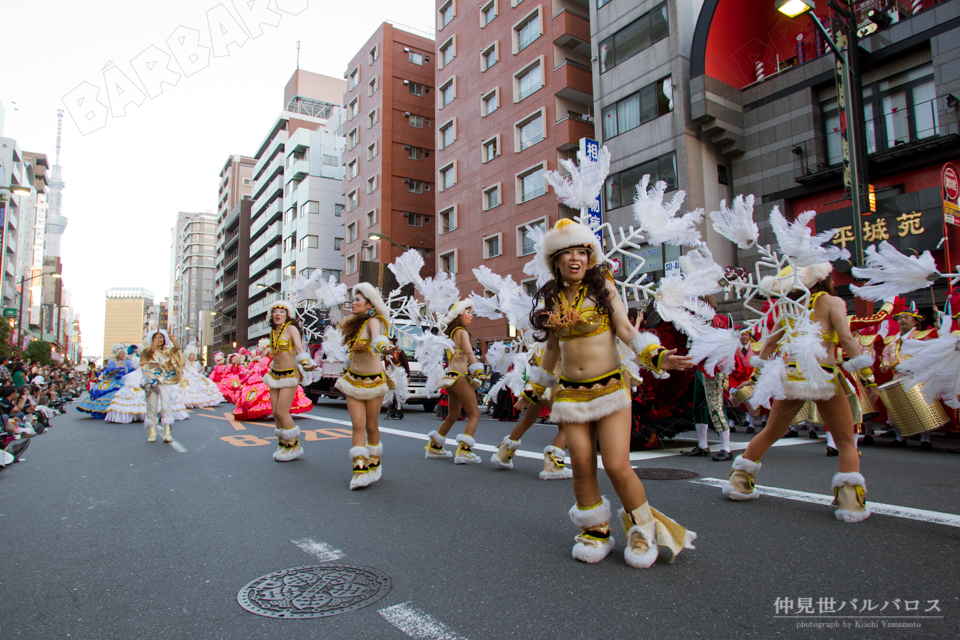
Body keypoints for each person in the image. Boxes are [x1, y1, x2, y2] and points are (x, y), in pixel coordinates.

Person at [516, 219, 696, 568]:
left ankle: (642, 529)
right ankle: (595, 530)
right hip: (569, 393)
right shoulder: (553, 299)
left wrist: (657, 355)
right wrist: (535, 388)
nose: (575, 258)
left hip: (610, 386)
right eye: (566, 252)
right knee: (582, 463)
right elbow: (552, 349)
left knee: (615, 464)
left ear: (590, 256)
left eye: (581, 251)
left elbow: (627, 330)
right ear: (554, 261)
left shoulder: (604, 289)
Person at [723, 263, 879, 522]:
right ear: (825, 279)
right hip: (823, 377)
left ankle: (738, 483)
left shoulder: (791, 307)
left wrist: (754, 377)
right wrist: (868, 377)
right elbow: (848, 340)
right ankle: (850, 503)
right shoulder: (833, 302)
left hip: (792, 376)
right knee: (844, 440)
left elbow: (770, 343)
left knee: (771, 432)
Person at [332, 284, 398, 487]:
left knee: (371, 425)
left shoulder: (374, 321)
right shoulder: (353, 326)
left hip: (374, 382)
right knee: (357, 425)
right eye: (353, 300)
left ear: (370, 304)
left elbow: (378, 338)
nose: (353, 303)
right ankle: (359, 471)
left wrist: (385, 347)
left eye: (358, 300)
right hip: (353, 381)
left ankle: (374, 464)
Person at [491, 344, 571, 479]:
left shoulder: (540, 342)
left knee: (528, 421)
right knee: (567, 427)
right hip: (552, 384)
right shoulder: (559, 338)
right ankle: (553, 466)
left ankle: (503, 454)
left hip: (536, 384)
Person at [424, 300, 486, 464]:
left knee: (452, 416)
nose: (472, 316)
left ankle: (435, 447)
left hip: (450, 378)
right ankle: (465, 451)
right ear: (459, 314)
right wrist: (478, 370)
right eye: (468, 312)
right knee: (474, 414)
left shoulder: (451, 332)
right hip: (459, 377)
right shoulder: (462, 332)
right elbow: (468, 351)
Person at [263, 301, 317, 462]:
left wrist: (306, 363)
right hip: (275, 375)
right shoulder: (273, 331)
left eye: (281, 311)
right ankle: (283, 445)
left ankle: (295, 446)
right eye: (275, 311)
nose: (277, 314)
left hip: (289, 375)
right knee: (275, 413)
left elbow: (300, 349)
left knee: (282, 411)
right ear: (271, 315)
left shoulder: (291, 328)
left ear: (288, 315)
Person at [141, 330, 186, 443]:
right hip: (152, 381)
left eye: (161, 337)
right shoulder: (148, 351)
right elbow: (152, 350)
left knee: (166, 407)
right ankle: (152, 433)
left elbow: (176, 347)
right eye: (156, 337)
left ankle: (167, 433)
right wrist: (155, 339)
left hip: (166, 381)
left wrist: (171, 336)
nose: (159, 339)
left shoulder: (168, 351)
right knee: (152, 408)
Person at [77, 344, 137, 419]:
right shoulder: (112, 362)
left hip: (125, 382)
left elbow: (130, 372)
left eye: (124, 353)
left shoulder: (127, 362)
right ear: (117, 353)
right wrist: (115, 371)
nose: (123, 354)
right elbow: (107, 373)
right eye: (121, 353)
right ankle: (108, 412)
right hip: (112, 382)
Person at [385, 336, 409, 420]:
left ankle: (399, 412)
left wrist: (408, 375)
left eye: (390, 341)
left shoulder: (400, 351)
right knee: (390, 393)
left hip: (399, 372)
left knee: (399, 393)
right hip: (390, 372)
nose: (389, 343)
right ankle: (391, 412)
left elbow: (405, 364)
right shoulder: (386, 352)